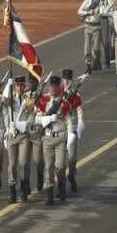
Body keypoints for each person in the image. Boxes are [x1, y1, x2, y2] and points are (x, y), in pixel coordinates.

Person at [36, 76, 72, 205]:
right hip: (48, 137)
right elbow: (37, 119)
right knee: (49, 166)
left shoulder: (64, 103)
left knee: (60, 166)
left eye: (55, 86)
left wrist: (71, 133)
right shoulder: (44, 101)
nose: (52, 88)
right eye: (51, 86)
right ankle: (49, 191)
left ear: (59, 87)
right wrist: (47, 119)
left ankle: (61, 183)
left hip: (61, 137)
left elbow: (68, 119)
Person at [2, 75, 34, 203]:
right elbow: (4, 99)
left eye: (21, 85)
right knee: (12, 164)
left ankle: (24, 183)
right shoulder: (10, 98)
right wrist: (7, 86)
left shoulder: (29, 100)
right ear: (14, 86)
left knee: (24, 162)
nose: (19, 87)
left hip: (23, 134)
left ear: (24, 86)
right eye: (17, 85)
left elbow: (31, 118)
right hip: (12, 135)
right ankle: (12, 190)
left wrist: (21, 125)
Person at [61, 69, 84, 194]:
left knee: (72, 157)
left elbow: (79, 109)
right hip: (61, 127)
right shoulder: (58, 93)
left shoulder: (76, 95)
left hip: (73, 127)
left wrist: (81, 122)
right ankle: (61, 182)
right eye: (65, 79)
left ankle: (71, 175)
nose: (67, 82)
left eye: (69, 79)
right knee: (60, 157)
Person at [78, 0, 102, 73]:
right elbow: (79, 11)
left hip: (97, 26)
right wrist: (88, 12)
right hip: (88, 26)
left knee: (96, 49)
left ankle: (97, 60)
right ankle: (88, 65)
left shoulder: (100, 2)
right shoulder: (87, 1)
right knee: (87, 49)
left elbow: (102, 12)